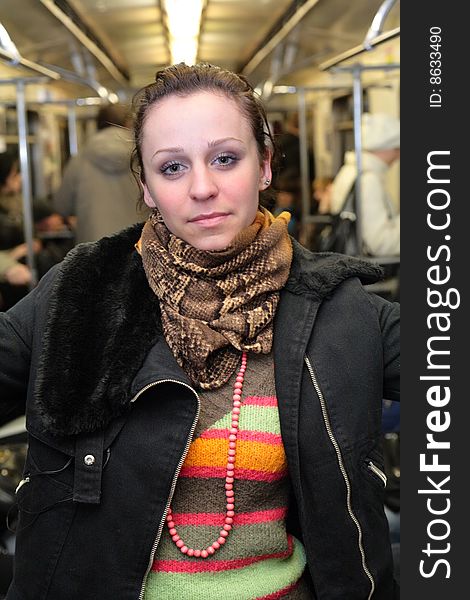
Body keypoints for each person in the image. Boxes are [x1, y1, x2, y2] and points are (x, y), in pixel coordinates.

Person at [0, 63, 400, 599]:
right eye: (172, 168)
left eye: (225, 158)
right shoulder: (81, 293)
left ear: (264, 165)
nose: (202, 188)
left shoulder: (340, 311)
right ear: (145, 187)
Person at [53, 103, 147, 243]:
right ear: (127, 124)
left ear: (97, 125)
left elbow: (62, 206)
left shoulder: (81, 158)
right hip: (138, 241)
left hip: (95, 247)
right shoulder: (143, 155)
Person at [330, 113, 400, 257]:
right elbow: (381, 244)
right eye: (397, 148)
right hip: (371, 273)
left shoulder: (350, 169)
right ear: (385, 147)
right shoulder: (369, 180)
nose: (398, 155)